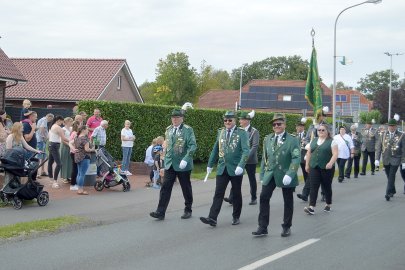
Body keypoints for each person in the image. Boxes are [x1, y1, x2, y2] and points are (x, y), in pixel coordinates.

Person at [252, 113, 300, 237]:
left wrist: (290, 174)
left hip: (285, 174)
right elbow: (265, 158)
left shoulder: (292, 139)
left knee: (288, 200)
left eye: (279, 124)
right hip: (271, 174)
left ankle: (286, 226)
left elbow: (296, 158)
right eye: (274, 124)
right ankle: (263, 226)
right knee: (263, 197)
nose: (276, 126)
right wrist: (262, 175)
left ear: (284, 124)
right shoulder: (268, 138)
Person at [200, 111, 249, 227]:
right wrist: (210, 164)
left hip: (236, 168)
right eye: (225, 120)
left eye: (230, 120)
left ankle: (236, 216)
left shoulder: (241, 132)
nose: (227, 122)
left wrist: (241, 166)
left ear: (234, 121)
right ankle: (212, 217)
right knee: (218, 193)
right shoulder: (220, 132)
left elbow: (246, 151)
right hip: (222, 168)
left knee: (236, 193)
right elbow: (215, 149)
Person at [150, 108, 197, 220]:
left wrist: (186, 159)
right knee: (165, 187)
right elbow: (168, 149)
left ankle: (188, 209)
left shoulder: (187, 130)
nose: (174, 119)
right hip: (170, 164)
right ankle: (160, 212)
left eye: (177, 117)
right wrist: (163, 165)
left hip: (183, 164)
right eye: (173, 117)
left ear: (182, 118)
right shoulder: (168, 129)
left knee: (186, 187)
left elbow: (193, 145)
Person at [223, 110, 259, 205]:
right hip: (239, 160)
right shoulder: (238, 130)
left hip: (250, 160)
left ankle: (253, 197)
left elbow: (254, 146)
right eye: (240, 120)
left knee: (252, 179)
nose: (240, 121)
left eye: (242, 120)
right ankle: (232, 198)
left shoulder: (254, 131)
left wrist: (246, 157)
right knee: (235, 178)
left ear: (247, 120)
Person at [304, 123, 338, 215]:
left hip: (327, 168)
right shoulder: (314, 140)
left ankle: (328, 204)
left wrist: (330, 163)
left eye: (323, 130)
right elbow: (309, 153)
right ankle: (311, 207)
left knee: (326, 186)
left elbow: (335, 154)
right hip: (314, 166)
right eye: (319, 130)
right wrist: (307, 165)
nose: (321, 131)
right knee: (313, 186)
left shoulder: (332, 141)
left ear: (327, 132)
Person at [375, 119, 405, 201]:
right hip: (386, 159)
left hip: (396, 158)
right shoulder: (383, 134)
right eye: (390, 126)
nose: (391, 127)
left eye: (393, 126)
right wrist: (377, 159)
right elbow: (379, 148)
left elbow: (403, 149)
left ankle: (387, 193)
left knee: (391, 175)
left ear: (396, 126)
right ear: (388, 126)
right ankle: (393, 190)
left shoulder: (401, 135)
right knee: (389, 176)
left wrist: (403, 161)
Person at [71, 125, 96, 195]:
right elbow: (87, 149)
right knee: (82, 174)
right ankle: (80, 190)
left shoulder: (77, 137)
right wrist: (93, 149)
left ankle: (79, 189)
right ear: (83, 130)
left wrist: (72, 148)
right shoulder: (85, 139)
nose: (88, 131)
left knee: (79, 173)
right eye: (87, 129)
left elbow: (70, 142)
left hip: (77, 156)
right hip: (85, 157)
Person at [48, 115, 70, 188]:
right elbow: (64, 138)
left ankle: (51, 180)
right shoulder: (57, 127)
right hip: (54, 145)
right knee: (59, 164)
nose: (62, 122)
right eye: (61, 121)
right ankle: (54, 181)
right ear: (58, 120)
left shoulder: (53, 126)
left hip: (51, 145)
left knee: (50, 163)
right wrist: (73, 141)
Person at [296, 120, 310, 202]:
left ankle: (307, 192)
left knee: (308, 175)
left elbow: (310, 144)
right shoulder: (294, 135)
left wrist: (305, 143)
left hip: (306, 157)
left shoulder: (307, 135)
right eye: (297, 126)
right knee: (305, 176)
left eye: (300, 126)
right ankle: (307, 192)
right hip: (298, 158)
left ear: (303, 127)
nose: (298, 128)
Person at [60, 117, 73, 183]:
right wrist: (69, 144)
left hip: (71, 146)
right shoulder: (63, 129)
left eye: (71, 121)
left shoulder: (71, 128)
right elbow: (62, 140)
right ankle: (64, 177)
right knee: (64, 161)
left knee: (70, 161)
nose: (71, 123)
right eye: (70, 121)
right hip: (65, 146)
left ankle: (69, 176)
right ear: (67, 122)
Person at [69, 121, 81, 191]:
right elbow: (72, 142)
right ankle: (73, 184)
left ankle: (75, 183)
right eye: (80, 125)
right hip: (74, 152)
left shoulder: (73, 133)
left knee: (75, 168)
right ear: (77, 125)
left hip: (73, 152)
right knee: (75, 169)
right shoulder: (75, 133)